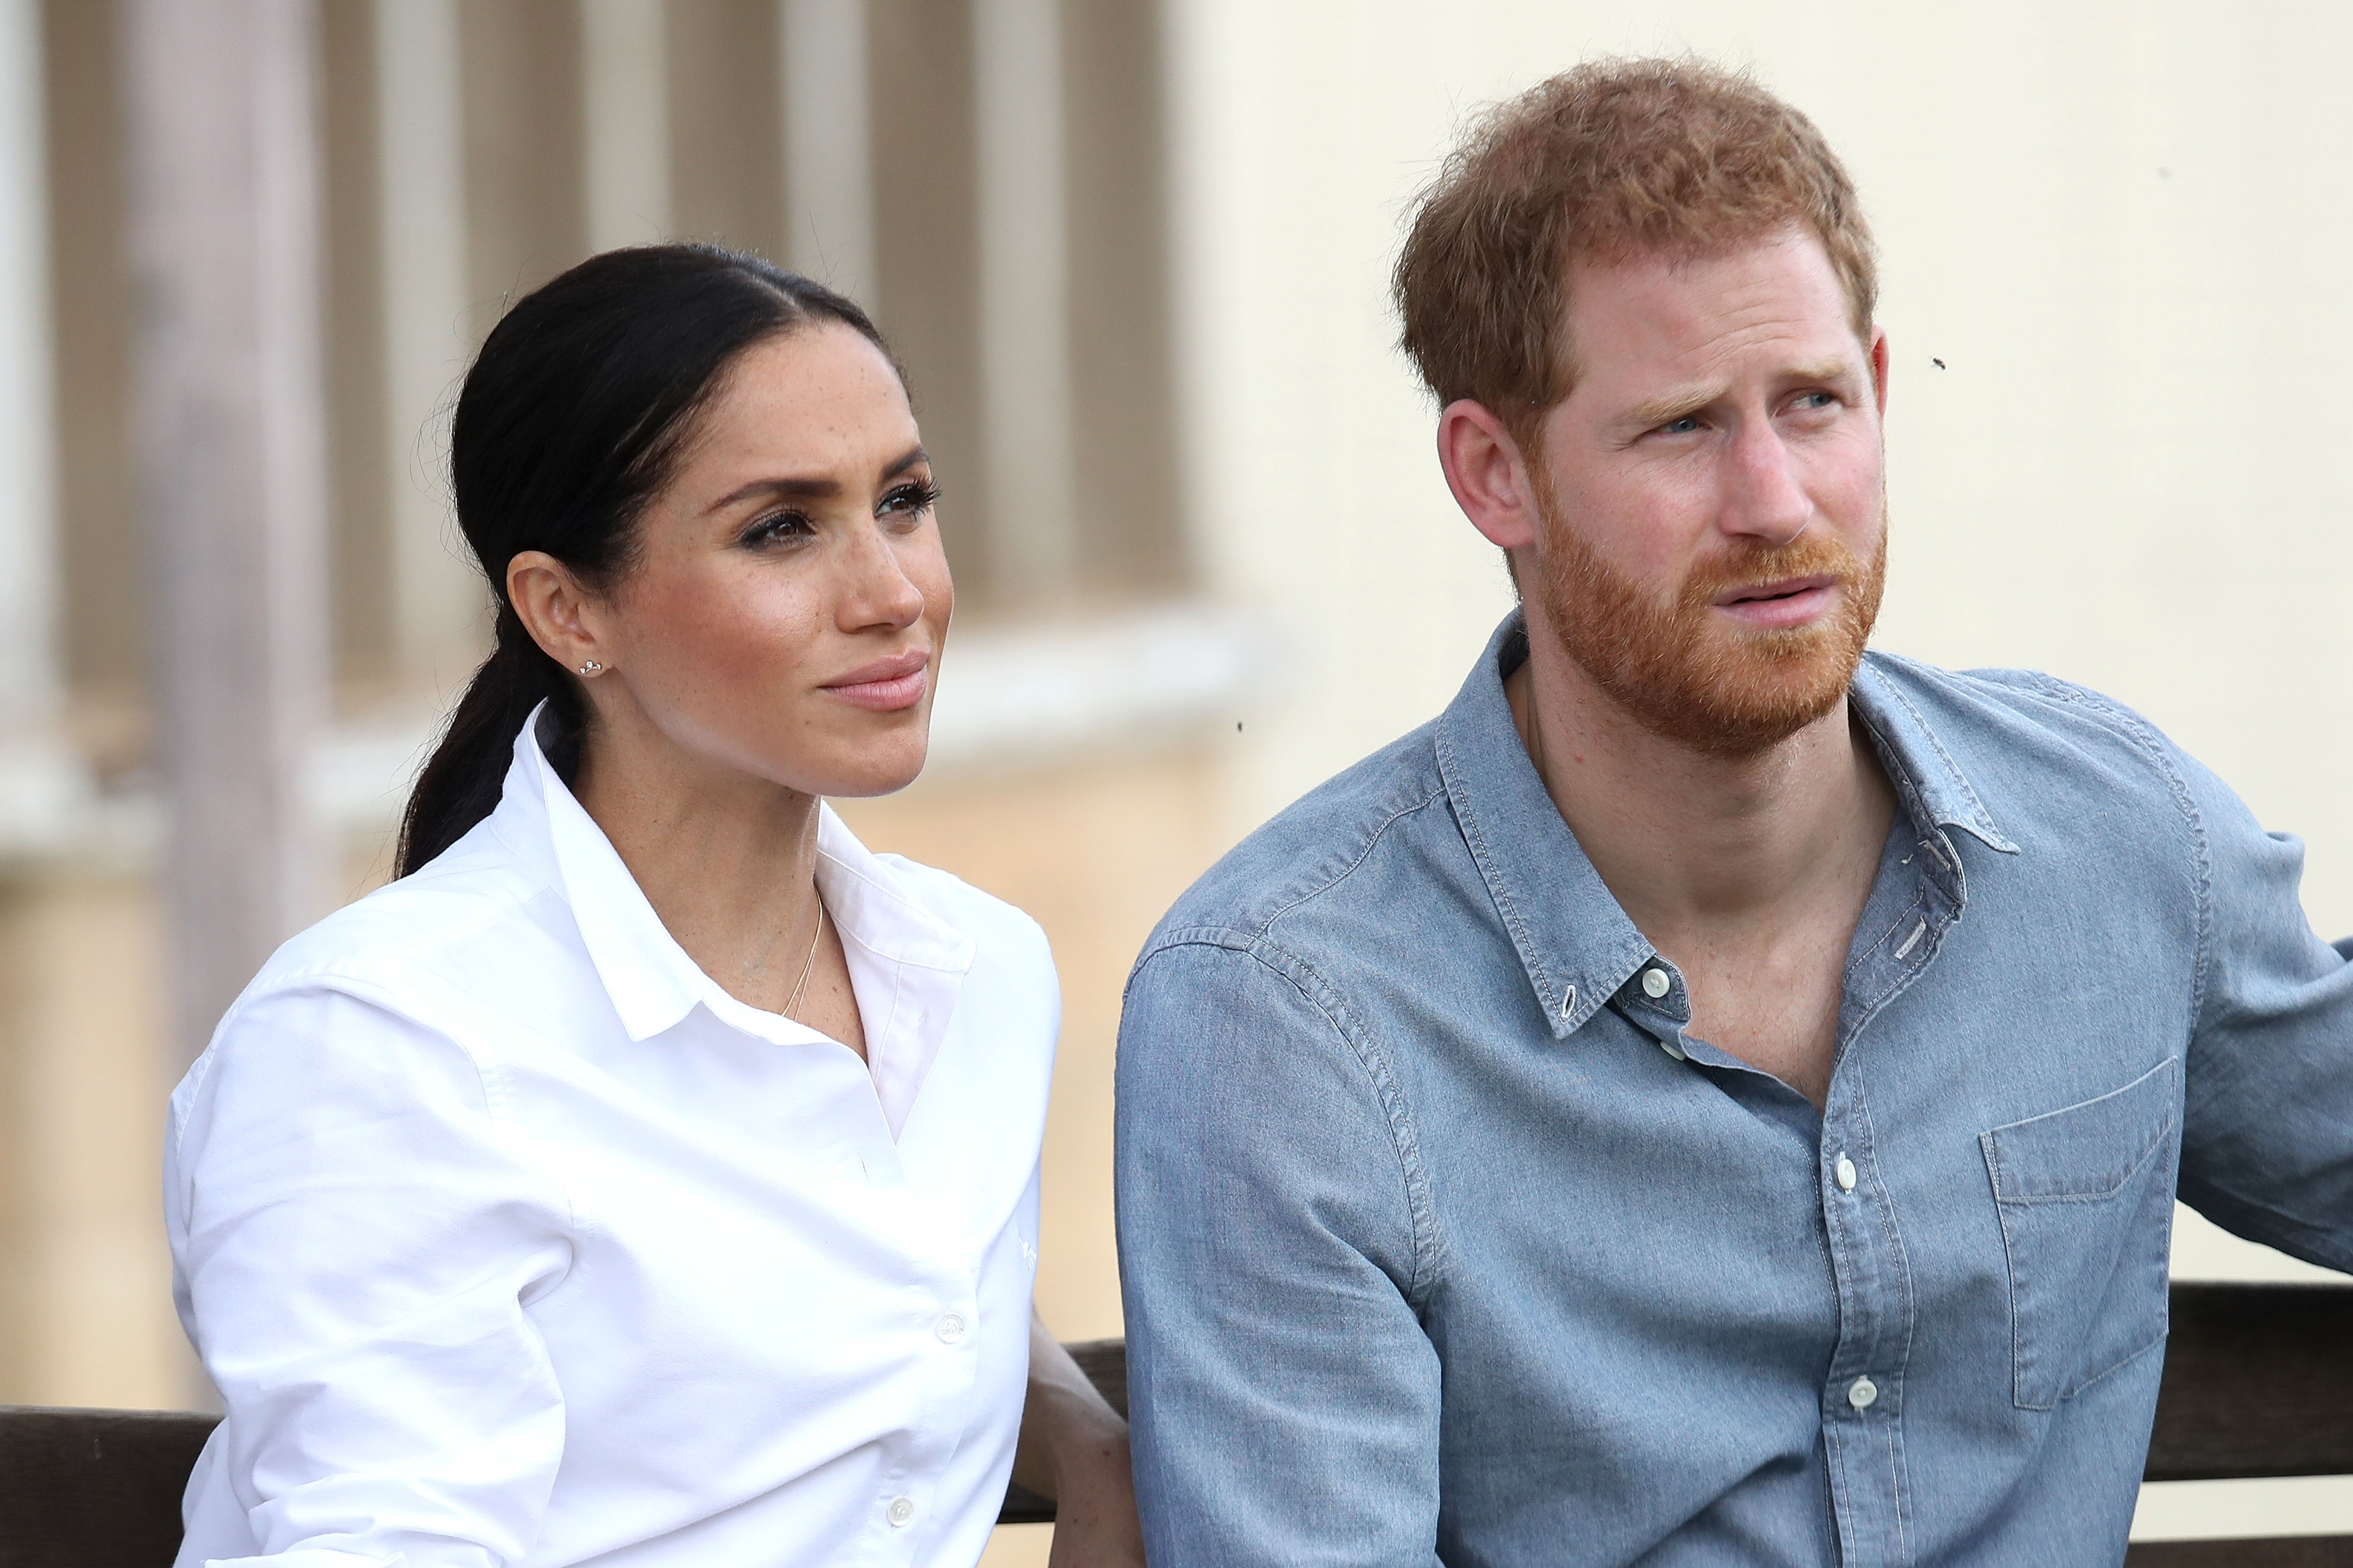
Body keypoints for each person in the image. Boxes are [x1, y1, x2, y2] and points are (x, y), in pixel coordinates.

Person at [1114, 57, 2353, 1566]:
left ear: (1881, 394)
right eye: (1683, 427)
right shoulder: (1285, 1018)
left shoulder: (2116, 846)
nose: (1774, 497)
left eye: (1812, 404)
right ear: (1492, 472)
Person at [166, 246, 1142, 1568]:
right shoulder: (382, 1047)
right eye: (782, 527)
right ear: (568, 609)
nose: (894, 594)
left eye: (902, 501)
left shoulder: (978, 973)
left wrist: (1086, 1438)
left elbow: (887, 1276)